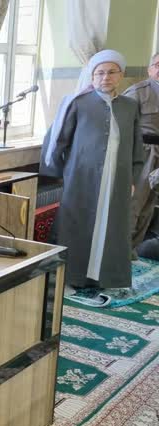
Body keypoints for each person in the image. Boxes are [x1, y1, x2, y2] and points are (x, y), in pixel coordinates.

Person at [41, 49, 145, 292]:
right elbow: (58, 139)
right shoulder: (78, 103)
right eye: (100, 73)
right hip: (81, 177)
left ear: (121, 75)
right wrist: (57, 173)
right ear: (92, 76)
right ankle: (71, 277)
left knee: (114, 225)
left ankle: (107, 278)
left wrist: (132, 178)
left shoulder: (130, 106)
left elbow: (136, 146)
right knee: (76, 223)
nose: (105, 77)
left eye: (111, 72)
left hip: (117, 178)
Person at [124, 52, 159, 253]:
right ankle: (121, 250)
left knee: (149, 207)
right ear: (149, 69)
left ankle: (133, 250)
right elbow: (122, 128)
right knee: (134, 204)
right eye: (157, 64)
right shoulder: (137, 92)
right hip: (143, 154)